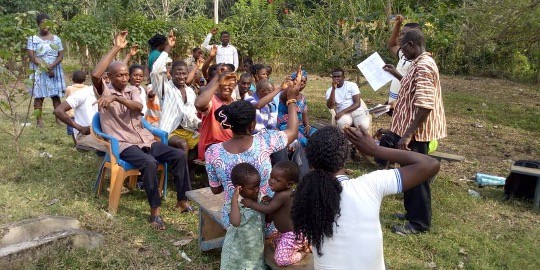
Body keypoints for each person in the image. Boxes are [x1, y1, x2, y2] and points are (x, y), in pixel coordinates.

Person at [291, 126, 440, 269]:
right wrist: (375, 149)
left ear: (310, 162)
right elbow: (430, 164)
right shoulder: (369, 186)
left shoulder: (305, 195)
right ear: (345, 157)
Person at [91, 31, 193, 230]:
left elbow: (138, 108)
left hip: (145, 139)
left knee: (179, 155)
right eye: (119, 75)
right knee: (149, 163)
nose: (124, 78)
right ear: (109, 77)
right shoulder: (103, 89)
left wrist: (117, 98)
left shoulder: (133, 90)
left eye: (126, 74)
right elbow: (95, 74)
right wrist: (117, 49)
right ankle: (155, 211)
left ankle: (182, 200)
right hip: (124, 143)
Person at [204, 81, 300, 229]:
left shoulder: (213, 151)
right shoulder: (264, 140)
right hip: (266, 218)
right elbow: (292, 132)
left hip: (234, 220)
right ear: (252, 124)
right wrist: (291, 100)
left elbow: (216, 189)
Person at [381, 29, 447, 235]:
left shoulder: (424, 66)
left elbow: (425, 105)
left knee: (417, 176)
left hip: (417, 133)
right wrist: (396, 74)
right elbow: (413, 89)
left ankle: (419, 223)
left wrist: (408, 134)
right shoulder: (417, 64)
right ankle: (411, 213)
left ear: (411, 45)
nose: (401, 51)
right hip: (409, 129)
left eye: (402, 47)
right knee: (410, 172)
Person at [242, 161, 309, 266]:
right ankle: (301, 244)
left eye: (277, 180)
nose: (271, 181)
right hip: (285, 233)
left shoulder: (283, 194)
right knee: (272, 242)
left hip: (292, 235)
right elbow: (274, 209)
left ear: (289, 184)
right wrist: (271, 200)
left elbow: (268, 209)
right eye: (271, 177)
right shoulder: (279, 193)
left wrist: (251, 204)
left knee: (280, 260)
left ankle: (302, 253)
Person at [150, 31, 201, 156]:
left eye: (184, 73)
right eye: (178, 73)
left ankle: (188, 172)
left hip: (187, 130)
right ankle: (181, 175)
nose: (181, 76)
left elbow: (190, 114)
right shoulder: (164, 88)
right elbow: (156, 71)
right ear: (171, 73)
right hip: (168, 132)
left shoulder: (190, 92)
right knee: (183, 144)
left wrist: (199, 123)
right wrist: (168, 47)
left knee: (203, 142)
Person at [220, 163, 265, 270]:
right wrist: (234, 199)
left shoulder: (259, 198)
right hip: (237, 249)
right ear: (239, 188)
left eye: (258, 185)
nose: (257, 190)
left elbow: (267, 217)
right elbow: (235, 222)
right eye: (252, 188)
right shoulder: (235, 203)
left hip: (254, 248)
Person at [27, 13, 66, 128]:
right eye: (42, 23)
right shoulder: (33, 39)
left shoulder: (57, 39)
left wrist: (51, 67)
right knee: (39, 96)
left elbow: (60, 56)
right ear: (38, 25)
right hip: (39, 71)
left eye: (47, 23)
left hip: (54, 70)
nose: (45, 26)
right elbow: (32, 56)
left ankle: (59, 119)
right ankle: (39, 121)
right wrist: (45, 67)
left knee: (55, 96)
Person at [194, 70, 237, 160]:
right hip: (211, 145)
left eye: (230, 85)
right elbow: (199, 104)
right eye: (223, 84)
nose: (226, 87)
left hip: (230, 145)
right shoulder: (211, 100)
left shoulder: (235, 103)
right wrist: (219, 81)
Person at [54, 80, 107, 153]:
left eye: (109, 78)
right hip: (86, 134)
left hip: (106, 132)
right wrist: (80, 128)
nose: (106, 81)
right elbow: (59, 111)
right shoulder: (83, 94)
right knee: (115, 147)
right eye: (103, 78)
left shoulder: (113, 93)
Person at [386, 15, 421, 106]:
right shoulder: (404, 55)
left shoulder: (420, 62)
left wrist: (395, 73)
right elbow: (392, 45)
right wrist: (398, 25)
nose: (400, 37)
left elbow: (416, 88)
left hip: (405, 105)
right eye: (400, 34)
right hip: (395, 104)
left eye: (404, 34)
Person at [277, 69, 316, 147]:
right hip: (287, 126)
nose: (302, 83)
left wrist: (307, 125)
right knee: (305, 142)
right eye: (300, 81)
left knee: (317, 135)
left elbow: (304, 114)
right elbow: (288, 92)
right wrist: (292, 85)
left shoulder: (302, 97)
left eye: (304, 82)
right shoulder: (286, 94)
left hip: (300, 125)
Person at [326, 68, 371, 133]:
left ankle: (360, 142)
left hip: (356, 110)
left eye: (339, 76)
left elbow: (357, 103)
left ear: (343, 77)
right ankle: (345, 142)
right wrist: (333, 89)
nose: (336, 78)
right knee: (342, 125)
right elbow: (330, 106)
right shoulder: (329, 90)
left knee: (364, 126)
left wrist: (342, 112)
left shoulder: (351, 85)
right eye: (334, 77)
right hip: (344, 115)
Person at [64, 70, 87, 145]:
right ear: (85, 80)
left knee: (72, 130)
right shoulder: (87, 88)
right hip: (83, 114)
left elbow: (67, 98)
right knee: (84, 128)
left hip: (71, 114)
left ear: (72, 79)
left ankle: (76, 143)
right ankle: (85, 143)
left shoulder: (69, 88)